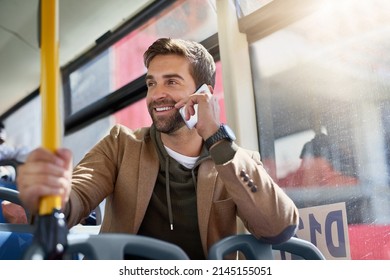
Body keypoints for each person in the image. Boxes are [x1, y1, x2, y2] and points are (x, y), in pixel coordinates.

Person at [16, 38, 299, 259]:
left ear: (205, 94)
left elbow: (279, 228)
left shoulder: (235, 160)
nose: (156, 95)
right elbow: (76, 198)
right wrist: (51, 195)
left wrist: (216, 137)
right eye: (152, 83)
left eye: (172, 82)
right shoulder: (121, 144)